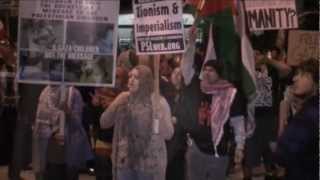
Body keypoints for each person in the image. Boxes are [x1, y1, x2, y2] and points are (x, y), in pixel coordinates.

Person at [178, 26, 246, 180]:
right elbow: (186, 68)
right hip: (196, 149)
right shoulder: (198, 86)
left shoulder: (230, 93)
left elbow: (237, 122)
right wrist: (191, 43)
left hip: (218, 152)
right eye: (205, 69)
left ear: (219, 74)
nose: (207, 72)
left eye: (211, 70)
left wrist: (240, 147)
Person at [100, 65, 174, 180]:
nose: (131, 80)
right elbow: (103, 123)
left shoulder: (158, 101)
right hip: (124, 163)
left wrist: (160, 117)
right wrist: (116, 103)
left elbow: (168, 134)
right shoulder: (124, 99)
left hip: (149, 165)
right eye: (130, 76)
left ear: (145, 81)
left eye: (137, 77)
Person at [32, 85, 93, 180]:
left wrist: (69, 112)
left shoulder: (75, 93)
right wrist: (53, 133)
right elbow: (40, 120)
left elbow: (78, 124)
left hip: (70, 149)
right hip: (51, 149)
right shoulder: (46, 92)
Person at [275, 59, 319, 180]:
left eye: (302, 74)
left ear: (315, 81)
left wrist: (282, 116)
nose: (295, 79)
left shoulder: (308, 115)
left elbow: (282, 155)